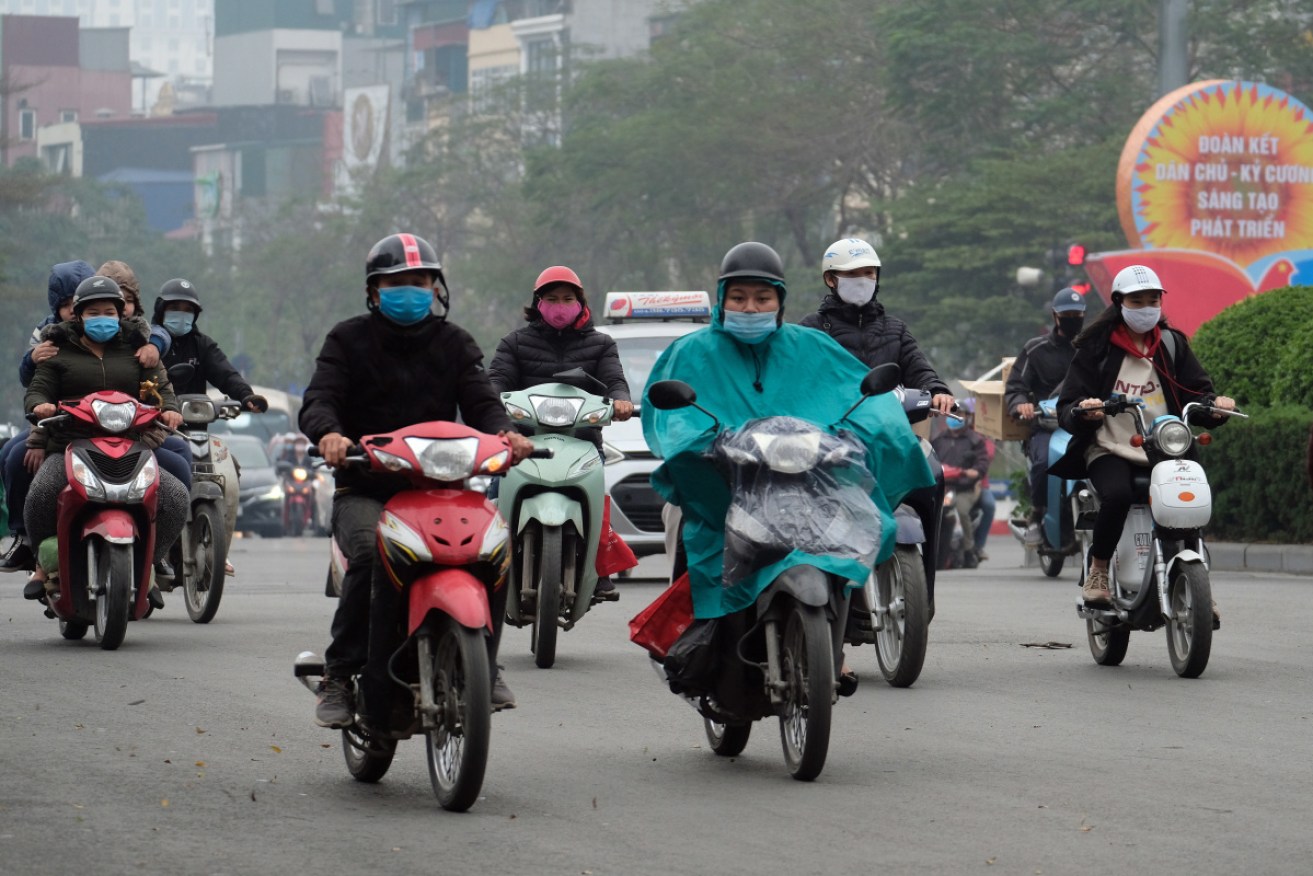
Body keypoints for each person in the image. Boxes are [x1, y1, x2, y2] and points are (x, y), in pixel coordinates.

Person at [642, 241, 933, 693]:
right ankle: (694, 637)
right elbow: (670, 417)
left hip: (804, 485)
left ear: (779, 300)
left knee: (852, 526)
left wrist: (869, 434)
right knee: (690, 527)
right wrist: (698, 445)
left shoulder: (811, 346)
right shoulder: (692, 353)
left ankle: (832, 641)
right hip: (723, 487)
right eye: (739, 298)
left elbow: (858, 399)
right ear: (722, 299)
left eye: (762, 298)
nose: (750, 308)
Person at [299, 232, 534, 729]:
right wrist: (331, 435)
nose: (410, 290)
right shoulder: (347, 339)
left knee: (494, 549)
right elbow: (320, 399)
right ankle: (340, 674)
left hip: (445, 488)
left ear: (437, 288)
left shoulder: (455, 342)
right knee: (368, 556)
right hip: (367, 488)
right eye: (397, 282)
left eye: (420, 281)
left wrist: (506, 434)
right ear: (375, 290)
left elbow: (482, 401)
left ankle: (484, 665)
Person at [1054, 265, 1234, 606]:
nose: (1147, 307)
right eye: (1138, 301)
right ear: (1120, 303)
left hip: (1165, 448)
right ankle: (1099, 569)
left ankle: (1198, 581)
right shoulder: (1097, 347)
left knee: (1189, 500)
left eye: (1154, 300)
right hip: (1110, 447)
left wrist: (1215, 406)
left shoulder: (1171, 344)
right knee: (1118, 495)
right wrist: (1086, 410)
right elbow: (1069, 405)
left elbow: (1198, 393)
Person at [2, 261, 178, 574]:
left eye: (109, 312)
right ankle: (45, 563)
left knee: (176, 498)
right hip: (71, 444)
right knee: (40, 495)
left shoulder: (139, 346)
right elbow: (37, 388)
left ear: (122, 312)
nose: (102, 319)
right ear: (78, 315)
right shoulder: (57, 346)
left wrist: (171, 409)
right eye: (92, 312)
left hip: (130, 444)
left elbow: (161, 386)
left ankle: (150, 561)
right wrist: (40, 405)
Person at [487, 264, 635, 598]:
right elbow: (497, 379)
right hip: (523, 440)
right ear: (538, 303)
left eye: (568, 298)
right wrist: (491, 399)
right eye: (552, 298)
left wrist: (622, 401)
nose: (560, 304)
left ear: (581, 302)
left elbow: (614, 380)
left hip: (581, 440)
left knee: (597, 495)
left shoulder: (601, 344)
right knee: (493, 491)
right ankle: (481, 559)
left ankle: (597, 568)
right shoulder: (514, 343)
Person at [798, 238, 954, 414]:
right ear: (830, 279)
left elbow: (918, 369)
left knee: (922, 443)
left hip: (887, 427)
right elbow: (796, 379)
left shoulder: (896, 329)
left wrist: (937, 391)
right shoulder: (811, 328)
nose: (862, 280)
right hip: (832, 430)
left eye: (868, 273)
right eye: (852, 274)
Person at [1005, 286, 1087, 544]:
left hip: (1083, 424)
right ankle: (1037, 515)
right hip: (1046, 425)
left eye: (1078, 314)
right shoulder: (1035, 349)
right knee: (1042, 465)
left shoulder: (1092, 348)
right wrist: (1021, 405)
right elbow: (1016, 386)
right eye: (1068, 314)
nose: (1073, 319)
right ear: (1055, 316)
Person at [932, 408, 984, 567]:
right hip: (942, 487)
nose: (956, 417)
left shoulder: (975, 440)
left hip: (964, 489)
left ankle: (969, 551)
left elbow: (982, 463)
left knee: (961, 511)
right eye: (954, 413)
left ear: (968, 417)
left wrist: (973, 472)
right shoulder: (938, 439)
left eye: (961, 414)